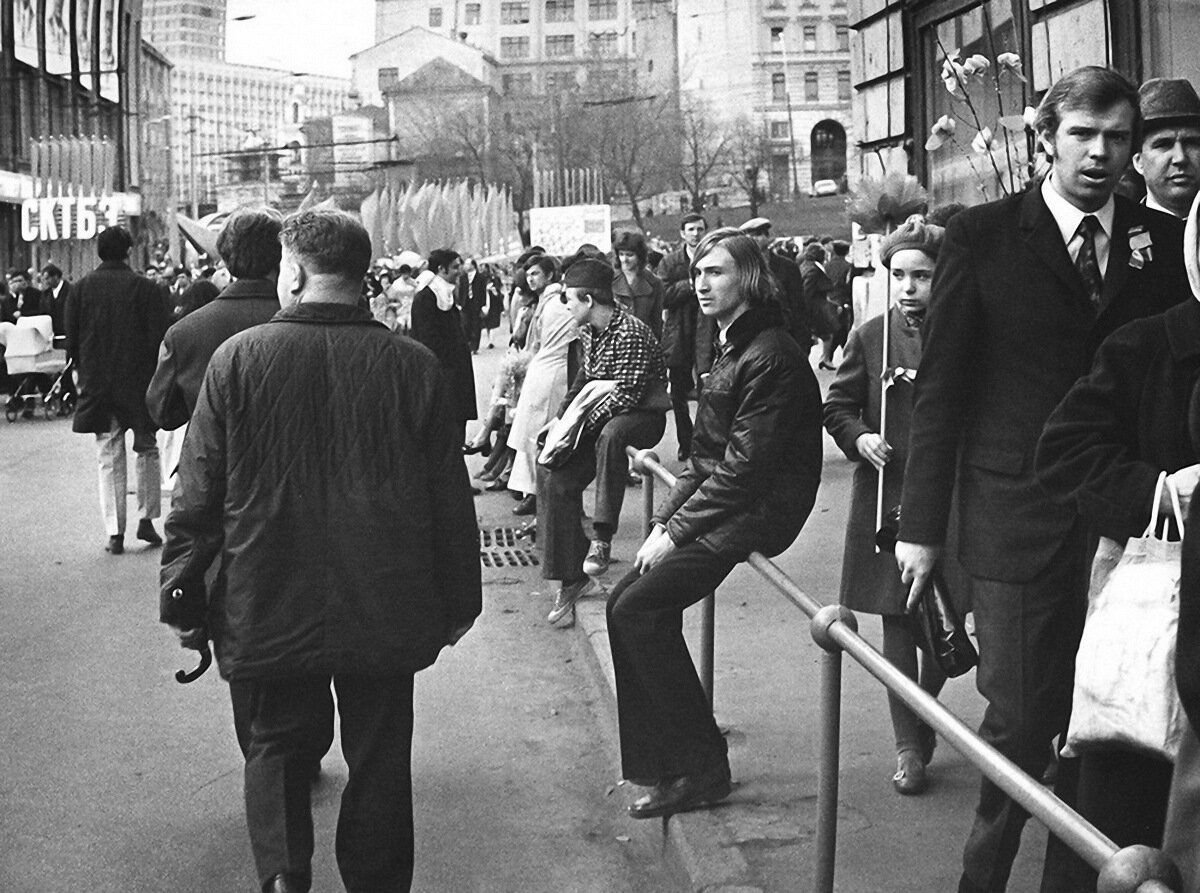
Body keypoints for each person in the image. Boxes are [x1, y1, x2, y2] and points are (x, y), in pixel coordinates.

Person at [894, 66, 1191, 893]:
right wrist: (920, 532)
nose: (1100, 154)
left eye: (1118, 138)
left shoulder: (1158, 244)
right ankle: (982, 877)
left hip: (1129, 529)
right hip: (1015, 520)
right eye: (1082, 135)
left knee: (1108, 730)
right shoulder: (982, 237)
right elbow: (942, 391)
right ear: (1043, 139)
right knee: (1024, 719)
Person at [160, 209, 481, 893]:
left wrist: (184, 597)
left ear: (295, 271)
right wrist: (460, 599)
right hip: (386, 593)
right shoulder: (413, 365)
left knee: (276, 740)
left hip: (265, 589)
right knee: (379, 751)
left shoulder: (238, 360)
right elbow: (448, 500)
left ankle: (282, 874)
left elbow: (197, 498)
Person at [606, 228, 822, 819]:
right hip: (728, 501)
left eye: (717, 272)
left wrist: (672, 531)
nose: (701, 283)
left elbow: (744, 471)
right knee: (628, 603)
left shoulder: (770, 352)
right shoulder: (734, 343)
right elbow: (706, 461)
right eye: (698, 271)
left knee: (636, 609)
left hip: (756, 511)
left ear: (748, 280)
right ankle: (668, 764)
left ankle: (700, 769)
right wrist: (663, 524)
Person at [1033, 189, 1200, 886]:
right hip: (1160, 627)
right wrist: (1161, 494)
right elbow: (1064, 451)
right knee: (1129, 837)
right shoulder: (1150, 345)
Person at [823, 217, 948, 796]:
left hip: (952, 496)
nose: (908, 287)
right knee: (897, 618)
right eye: (898, 275)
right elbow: (838, 404)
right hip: (887, 497)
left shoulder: (963, 330)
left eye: (921, 276)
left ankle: (923, 715)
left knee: (949, 623)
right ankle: (907, 745)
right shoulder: (871, 335)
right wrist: (859, 436)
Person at [538, 258, 669, 627]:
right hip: (600, 414)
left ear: (590, 300)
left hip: (643, 416)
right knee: (553, 472)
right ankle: (573, 577)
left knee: (612, 434)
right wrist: (562, 422)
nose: (566, 307)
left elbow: (626, 396)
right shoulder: (587, 331)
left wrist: (577, 429)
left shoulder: (631, 333)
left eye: (569, 299)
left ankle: (602, 537)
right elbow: (585, 378)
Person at [66, 225, 170, 554]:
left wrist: (81, 377)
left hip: (98, 385)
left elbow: (72, 345)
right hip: (139, 385)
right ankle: (147, 520)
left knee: (108, 457)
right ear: (128, 251)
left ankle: (114, 531)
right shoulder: (147, 289)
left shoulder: (80, 290)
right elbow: (159, 340)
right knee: (147, 450)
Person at [146, 207, 283, 432]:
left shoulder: (185, 332)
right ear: (281, 257)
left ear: (226, 257)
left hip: (217, 457)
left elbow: (162, 412)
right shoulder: (306, 320)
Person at [506, 254, 574, 515]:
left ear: (549, 276)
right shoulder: (544, 302)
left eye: (536, 274)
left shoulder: (555, 304)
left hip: (550, 373)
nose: (531, 279)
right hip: (542, 370)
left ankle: (539, 497)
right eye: (529, 274)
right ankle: (533, 494)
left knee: (538, 434)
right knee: (531, 434)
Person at [411, 248, 478, 438]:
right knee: (445, 432)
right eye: (455, 267)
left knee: (457, 427)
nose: (459, 271)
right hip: (443, 376)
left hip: (454, 374)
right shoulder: (427, 297)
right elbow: (428, 341)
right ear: (442, 269)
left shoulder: (444, 293)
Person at [658, 213, 707, 460]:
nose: (696, 234)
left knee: (708, 388)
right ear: (682, 233)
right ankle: (685, 441)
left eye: (699, 229)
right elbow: (663, 295)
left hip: (706, 329)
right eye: (691, 229)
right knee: (678, 393)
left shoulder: (712, 257)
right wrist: (690, 285)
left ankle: (705, 441)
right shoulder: (670, 262)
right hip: (678, 332)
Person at [739, 217, 811, 355]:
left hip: (786, 336)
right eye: (750, 237)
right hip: (753, 342)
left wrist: (802, 344)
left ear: (768, 237)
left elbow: (798, 307)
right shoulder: (741, 269)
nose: (755, 240)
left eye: (758, 235)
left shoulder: (787, 267)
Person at [1134, 78, 1200, 219]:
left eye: (1192, 143)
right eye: (1163, 144)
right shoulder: (1118, 233)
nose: (1180, 158)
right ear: (1138, 162)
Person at [611, 231, 664, 340]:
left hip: (643, 342)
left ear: (639, 256)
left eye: (630, 255)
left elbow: (657, 322)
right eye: (621, 254)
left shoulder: (654, 283)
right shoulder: (608, 279)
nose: (624, 260)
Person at [40, 262, 71, 336]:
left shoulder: (71, 291)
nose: (46, 282)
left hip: (68, 332)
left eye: (47, 279)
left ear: (56, 276)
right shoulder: (45, 294)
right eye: (44, 279)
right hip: (52, 334)